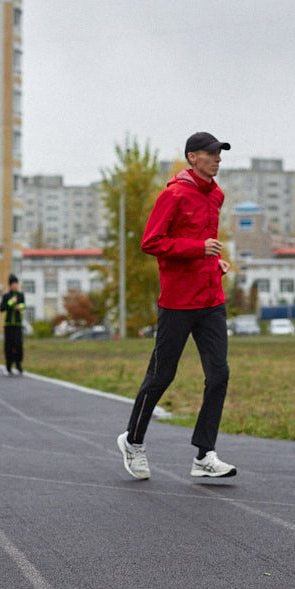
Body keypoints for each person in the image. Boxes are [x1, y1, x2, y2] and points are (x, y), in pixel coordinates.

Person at [117, 131, 238, 480]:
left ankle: (204, 455)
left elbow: (207, 244)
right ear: (192, 157)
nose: (218, 159)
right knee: (161, 376)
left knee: (219, 375)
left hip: (211, 299)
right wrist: (198, 250)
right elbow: (151, 241)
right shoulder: (173, 195)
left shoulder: (216, 195)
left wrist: (215, 262)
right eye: (212, 153)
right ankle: (134, 441)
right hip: (177, 303)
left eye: (220, 153)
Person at [0, 274, 26, 375]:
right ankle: (9, 365)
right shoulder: (6, 296)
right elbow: (2, 308)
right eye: (13, 284)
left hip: (18, 324)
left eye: (16, 284)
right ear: (10, 285)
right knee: (9, 345)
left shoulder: (20, 295)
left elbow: (24, 305)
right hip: (8, 324)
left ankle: (18, 363)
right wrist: (10, 303)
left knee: (18, 344)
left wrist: (20, 306)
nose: (15, 286)